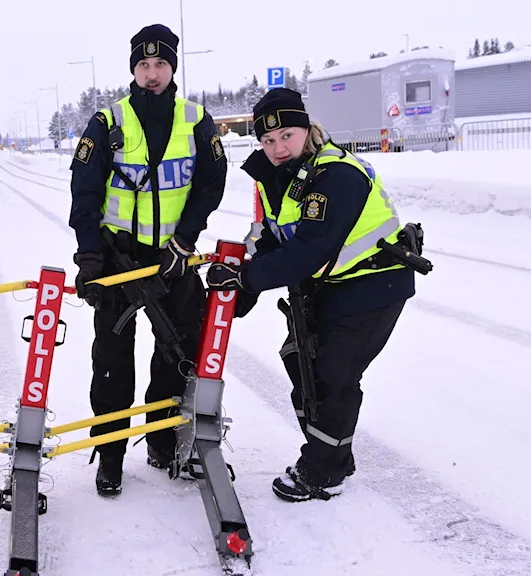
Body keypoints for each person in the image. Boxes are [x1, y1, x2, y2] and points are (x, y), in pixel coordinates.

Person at [206, 87, 426, 503]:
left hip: (374, 284)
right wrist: (237, 292)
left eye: (286, 135)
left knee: (334, 373)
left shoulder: (336, 174)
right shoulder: (284, 177)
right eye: (267, 141)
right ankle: (332, 451)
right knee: (300, 360)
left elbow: (310, 249)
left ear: (306, 129)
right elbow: (273, 236)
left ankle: (325, 469)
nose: (277, 147)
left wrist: (248, 281)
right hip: (330, 285)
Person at [68, 23, 228, 497]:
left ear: (173, 68)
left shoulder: (196, 119)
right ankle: (111, 454)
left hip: (172, 260)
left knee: (175, 354)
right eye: (143, 64)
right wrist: (91, 257)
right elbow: (85, 192)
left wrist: (185, 240)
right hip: (120, 258)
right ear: (133, 69)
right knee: (112, 359)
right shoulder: (107, 121)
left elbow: (210, 185)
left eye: (160, 64)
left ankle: (161, 442)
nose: (152, 73)